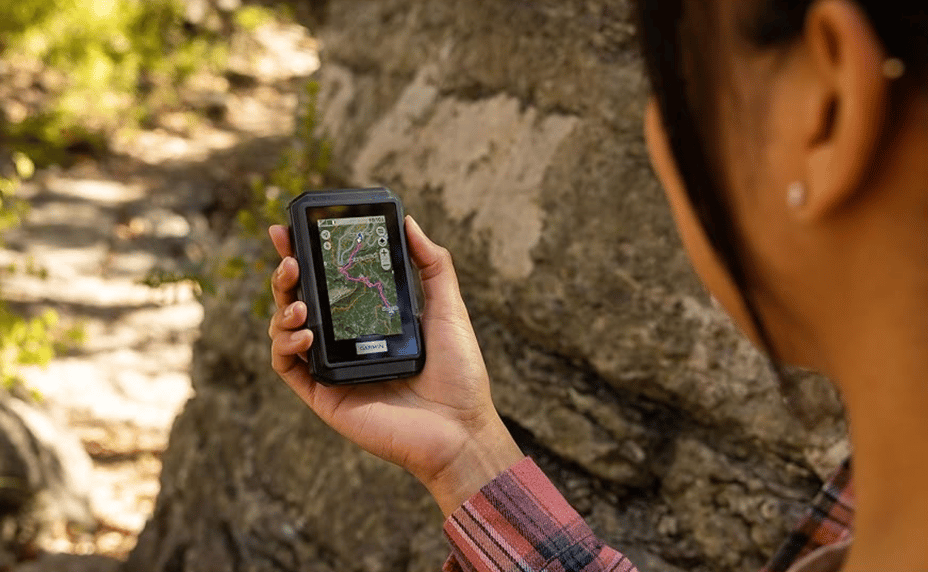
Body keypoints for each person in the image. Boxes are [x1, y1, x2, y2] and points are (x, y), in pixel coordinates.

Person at [267, 1, 928, 571]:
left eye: (669, 82)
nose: (656, 131)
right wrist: (465, 451)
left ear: (825, 106)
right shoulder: (875, 503)